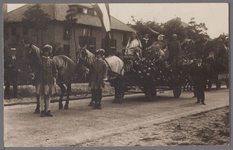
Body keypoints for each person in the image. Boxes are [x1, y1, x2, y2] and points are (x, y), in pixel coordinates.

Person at [37, 44, 57, 117]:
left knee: (48, 95)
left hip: (49, 80)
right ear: (43, 52)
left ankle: (48, 110)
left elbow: (54, 71)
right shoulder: (40, 61)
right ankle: (42, 110)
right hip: (42, 80)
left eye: (48, 52)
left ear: (49, 52)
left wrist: (54, 78)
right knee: (42, 95)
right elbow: (37, 70)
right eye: (45, 51)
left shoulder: (52, 61)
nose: (46, 53)